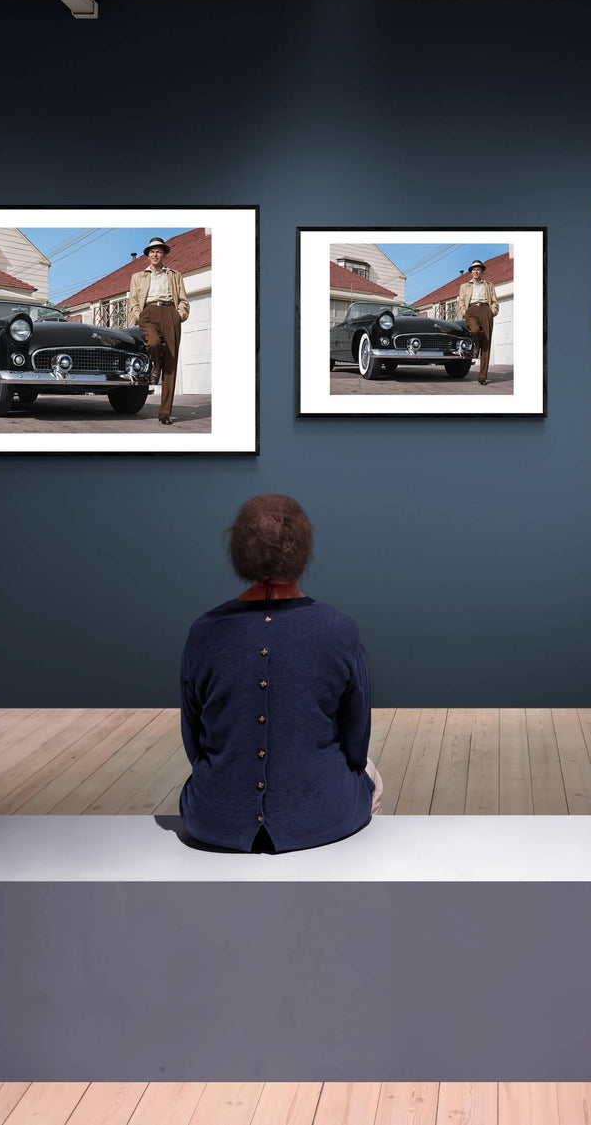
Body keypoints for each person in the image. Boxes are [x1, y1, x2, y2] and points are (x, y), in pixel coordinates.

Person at [178, 494, 383, 852]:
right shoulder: (340, 630)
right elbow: (356, 742)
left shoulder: (203, 632)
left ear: (239, 550)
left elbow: (194, 742)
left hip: (213, 820)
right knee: (372, 773)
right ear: (303, 550)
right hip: (323, 817)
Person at [126, 236, 191, 425]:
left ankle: (164, 413)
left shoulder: (174, 274)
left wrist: (179, 315)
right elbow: (134, 301)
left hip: (170, 312)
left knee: (171, 362)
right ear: (148, 255)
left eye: (159, 251)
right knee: (153, 342)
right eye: (152, 251)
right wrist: (138, 315)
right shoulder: (138, 276)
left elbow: (184, 299)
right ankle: (155, 365)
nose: (155, 254)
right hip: (148, 312)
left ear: (164, 254)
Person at [456, 259, 499, 386]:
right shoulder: (464, 286)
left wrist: (492, 312)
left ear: (482, 271)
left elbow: (495, 301)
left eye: (478, 269)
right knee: (474, 330)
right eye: (474, 269)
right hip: (471, 310)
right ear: (471, 272)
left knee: (486, 343)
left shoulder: (489, 285)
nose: (476, 271)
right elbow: (461, 302)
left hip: (486, 310)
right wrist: (464, 312)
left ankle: (482, 377)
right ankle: (476, 346)